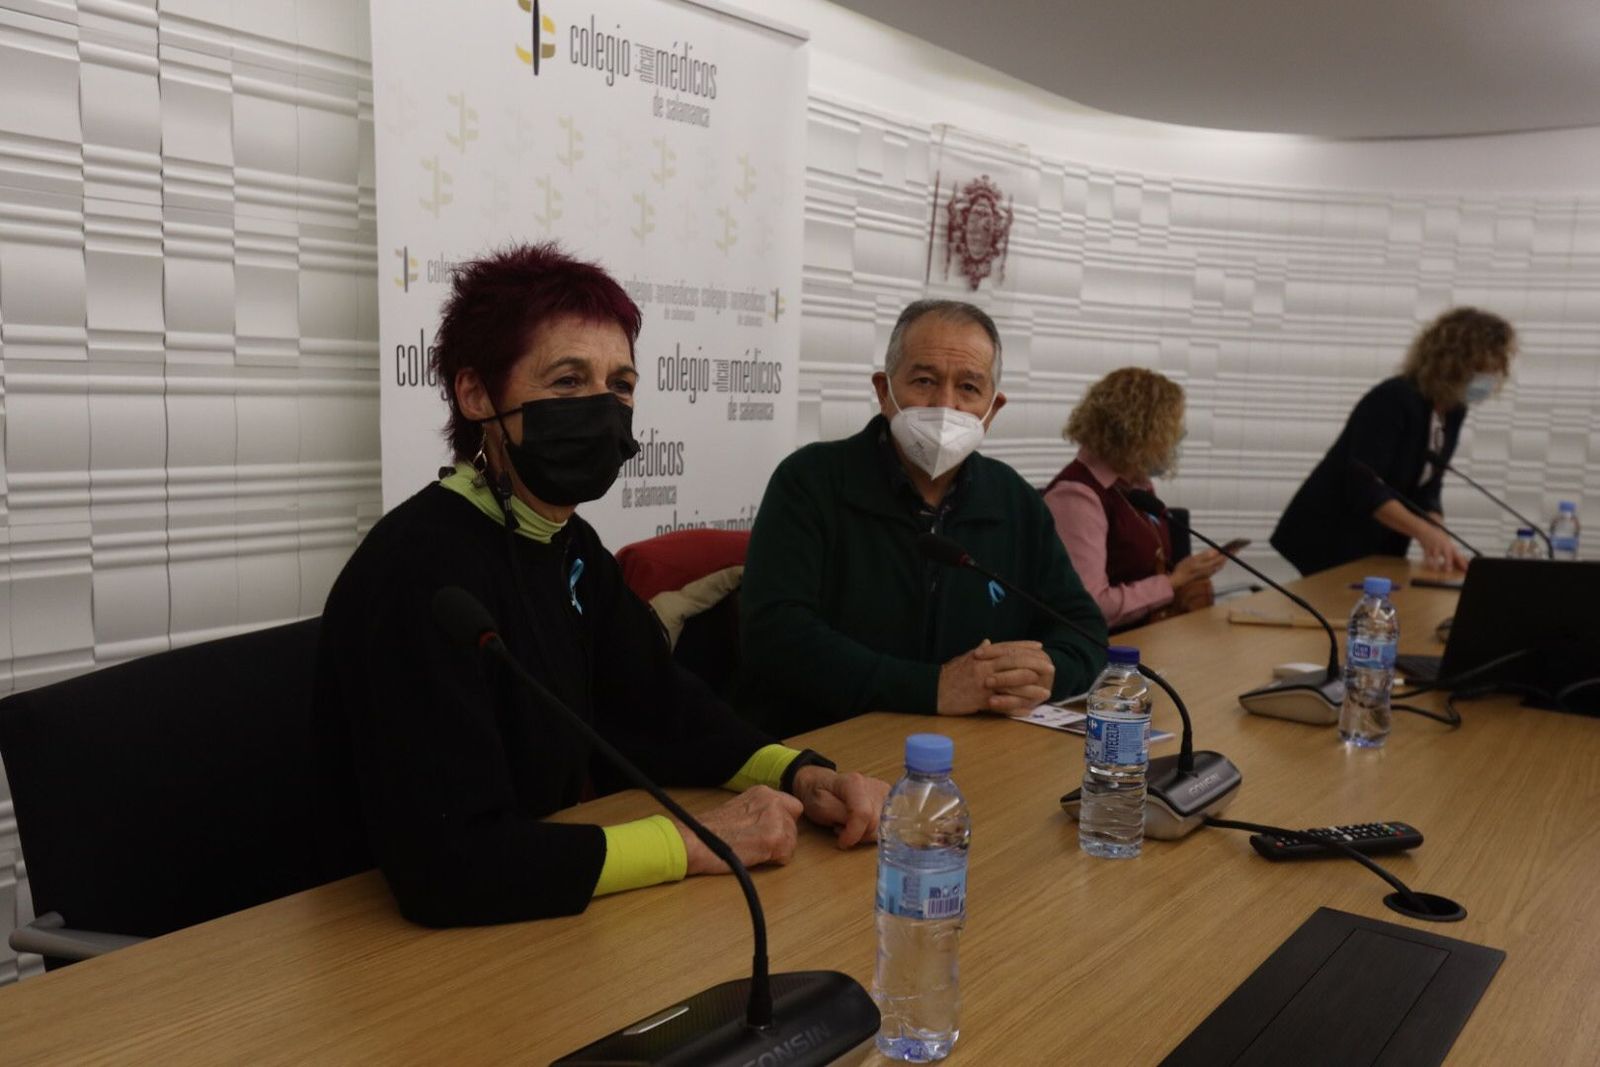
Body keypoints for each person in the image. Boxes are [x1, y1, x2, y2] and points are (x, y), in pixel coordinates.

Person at [314, 243, 888, 927]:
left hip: (530, 917)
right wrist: (692, 842)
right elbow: (448, 863)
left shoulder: (567, 542)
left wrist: (800, 773)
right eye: (566, 381)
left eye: (619, 384)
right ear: (476, 396)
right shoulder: (419, 574)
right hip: (373, 943)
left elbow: (660, 706)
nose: (601, 407)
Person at [738, 299, 1107, 739]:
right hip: (829, 744)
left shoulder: (1014, 500)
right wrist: (932, 688)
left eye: (968, 387)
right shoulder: (810, 481)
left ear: (993, 408)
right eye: (924, 381)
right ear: (884, 391)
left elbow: (1084, 631)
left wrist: (1048, 672)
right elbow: (774, 636)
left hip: (978, 745)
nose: (945, 405)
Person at [1271, 307, 1516, 576]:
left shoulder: (1453, 411)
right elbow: (1364, 485)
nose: (1494, 375)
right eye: (1486, 366)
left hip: (1378, 544)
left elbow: (1428, 486)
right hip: (1331, 534)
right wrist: (1423, 532)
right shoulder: (1393, 399)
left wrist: (1438, 533)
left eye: (1499, 366)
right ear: (1453, 362)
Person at [1042, 368, 1225, 631]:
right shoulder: (1077, 497)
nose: (1178, 438)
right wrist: (1174, 582)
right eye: (1172, 430)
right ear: (1138, 433)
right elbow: (1091, 607)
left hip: (1151, 634)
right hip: (1106, 646)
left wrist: (1190, 574)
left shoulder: (1136, 485)